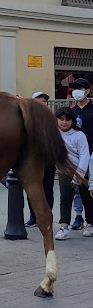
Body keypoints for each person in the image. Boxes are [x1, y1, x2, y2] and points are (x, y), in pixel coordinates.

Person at [54, 107, 93, 240]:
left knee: (87, 197)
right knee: (65, 198)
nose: (64, 122)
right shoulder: (54, 134)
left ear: (72, 121)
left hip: (82, 171)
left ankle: (90, 224)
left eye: (67, 119)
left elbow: (84, 155)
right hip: (64, 171)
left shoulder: (79, 135)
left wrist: (78, 175)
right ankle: (64, 226)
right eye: (61, 119)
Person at [24, 92, 55, 227]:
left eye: (45, 101)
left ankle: (47, 215)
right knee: (32, 188)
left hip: (47, 160)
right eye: (40, 101)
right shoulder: (27, 119)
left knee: (47, 189)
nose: (43, 103)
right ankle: (33, 216)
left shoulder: (52, 119)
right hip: (32, 161)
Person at [70, 78, 93, 230]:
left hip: (91, 155)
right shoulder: (71, 111)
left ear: (87, 91)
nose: (77, 90)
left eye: (80, 88)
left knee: (89, 189)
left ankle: (90, 221)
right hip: (75, 155)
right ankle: (78, 216)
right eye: (75, 88)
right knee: (77, 188)